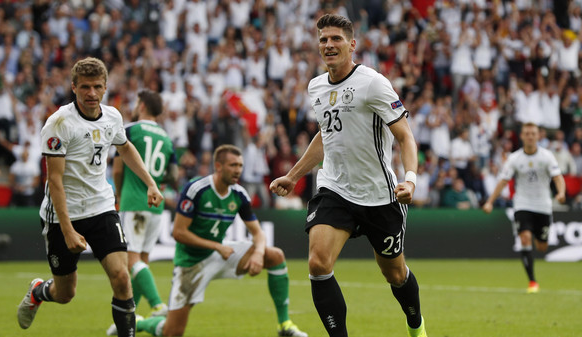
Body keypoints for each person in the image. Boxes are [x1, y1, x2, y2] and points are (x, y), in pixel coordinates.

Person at [269, 14, 426, 337]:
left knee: (394, 274)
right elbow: (326, 135)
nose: (329, 45)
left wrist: (409, 178)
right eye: (324, 39)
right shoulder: (316, 87)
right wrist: (294, 175)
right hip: (335, 188)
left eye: (336, 39)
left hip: (379, 195)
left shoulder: (373, 83)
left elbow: (406, 137)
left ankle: (416, 327)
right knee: (317, 263)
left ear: (352, 45)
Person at [16, 57, 164, 337]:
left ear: (106, 86)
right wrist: (69, 230)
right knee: (65, 293)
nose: (92, 93)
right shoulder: (59, 123)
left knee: (122, 277)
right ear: (73, 87)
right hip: (63, 215)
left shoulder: (113, 117)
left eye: (97, 87)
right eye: (85, 87)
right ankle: (38, 291)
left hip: (101, 207)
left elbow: (126, 147)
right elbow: (55, 180)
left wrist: (150, 184)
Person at [113, 144, 308, 337]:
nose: (238, 170)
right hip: (191, 263)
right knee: (172, 332)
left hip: (219, 254)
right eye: (233, 165)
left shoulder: (239, 194)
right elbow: (179, 233)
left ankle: (285, 325)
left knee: (275, 255)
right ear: (219, 166)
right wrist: (217, 246)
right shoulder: (196, 189)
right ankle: (140, 322)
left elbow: (258, 233)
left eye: (240, 165)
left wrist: (257, 254)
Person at [111, 90, 178, 319]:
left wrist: (119, 195)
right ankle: (130, 316)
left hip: (133, 201)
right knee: (142, 263)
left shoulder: (130, 130)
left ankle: (158, 305)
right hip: (155, 206)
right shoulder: (167, 139)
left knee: (132, 261)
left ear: (141, 106)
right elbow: (173, 176)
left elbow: (118, 169)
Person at [483, 122, 566, 293]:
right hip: (523, 204)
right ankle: (532, 282)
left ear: (538, 136)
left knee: (541, 246)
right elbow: (503, 181)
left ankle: (538, 241)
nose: (530, 136)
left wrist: (561, 192)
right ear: (522, 136)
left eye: (533, 133)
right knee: (525, 239)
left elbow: (558, 177)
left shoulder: (547, 156)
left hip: (543, 205)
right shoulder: (514, 158)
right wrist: (490, 201)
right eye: (527, 133)